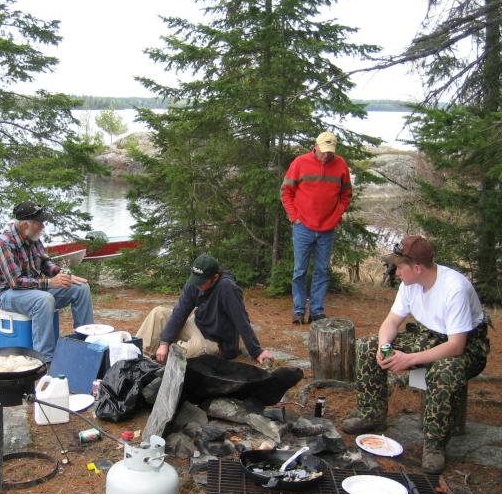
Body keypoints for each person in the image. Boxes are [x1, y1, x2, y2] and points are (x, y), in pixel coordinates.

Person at [341, 235, 490, 473]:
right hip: (428, 335)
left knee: (444, 371)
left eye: (400, 266)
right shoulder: (410, 284)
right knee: (367, 346)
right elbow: (391, 321)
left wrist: (408, 359)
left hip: (467, 346)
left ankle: (434, 444)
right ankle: (372, 414)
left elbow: (456, 346)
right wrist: (383, 346)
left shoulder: (455, 289)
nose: (396, 272)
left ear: (417, 268)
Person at [0, 201, 94, 361]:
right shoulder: (4, 243)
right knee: (44, 300)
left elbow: (46, 263)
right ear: (26, 224)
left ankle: (86, 342)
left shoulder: (33, 238)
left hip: (33, 290)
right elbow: (16, 282)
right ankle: (46, 360)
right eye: (40, 223)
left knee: (81, 287)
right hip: (7, 294)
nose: (43, 226)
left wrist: (63, 276)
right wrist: (50, 283)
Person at [136, 254, 274, 365]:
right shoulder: (194, 283)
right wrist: (164, 342)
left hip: (215, 342)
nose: (197, 285)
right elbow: (179, 313)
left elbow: (242, 321)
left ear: (215, 277)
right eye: (195, 280)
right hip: (197, 326)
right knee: (159, 313)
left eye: (201, 282)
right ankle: (136, 355)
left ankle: (160, 359)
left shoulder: (227, 288)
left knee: (189, 352)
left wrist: (257, 351)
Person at [280, 131, 352, 324]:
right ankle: (298, 310)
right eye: (323, 150)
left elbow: (346, 195)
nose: (326, 155)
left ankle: (317, 311)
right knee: (300, 270)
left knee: (322, 270)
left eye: (330, 151)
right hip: (302, 226)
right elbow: (286, 192)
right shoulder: (300, 163)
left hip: (327, 228)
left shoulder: (340, 165)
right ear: (315, 145)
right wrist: (294, 217)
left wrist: (337, 215)